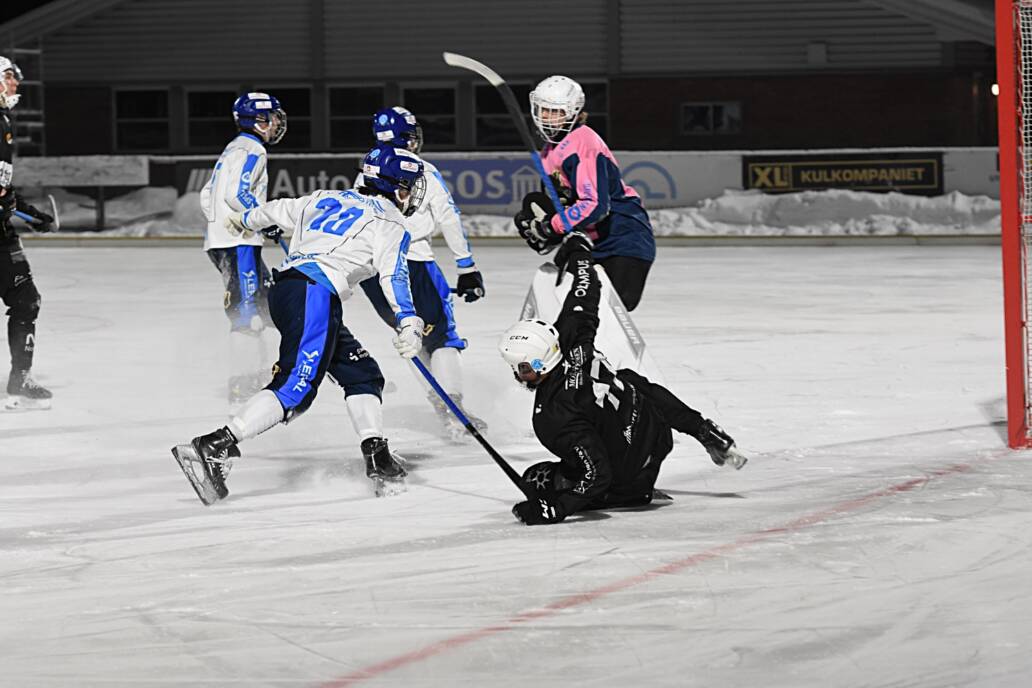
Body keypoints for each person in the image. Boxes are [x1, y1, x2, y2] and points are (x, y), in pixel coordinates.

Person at [172, 144, 427, 505]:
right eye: (408, 186)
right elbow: (394, 276)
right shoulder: (391, 222)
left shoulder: (325, 197)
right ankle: (215, 445)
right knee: (296, 388)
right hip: (314, 295)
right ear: (395, 186)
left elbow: (277, 209)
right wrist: (408, 320)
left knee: (362, 374)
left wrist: (246, 220)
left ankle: (376, 454)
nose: (411, 194)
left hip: (289, 291)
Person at [498, 232, 746, 525]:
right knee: (628, 379)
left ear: (542, 362)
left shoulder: (553, 415)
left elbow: (596, 475)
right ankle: (704, 430)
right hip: (655, 436)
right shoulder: (573, 337)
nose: (519, 375)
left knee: (535, 479)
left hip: (630, 475)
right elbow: (585, 290)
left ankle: (631, 492)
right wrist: (579, 253)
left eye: (523, 368)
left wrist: (556, 508)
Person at [357, 106, 488, 437]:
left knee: (410, 336)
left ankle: (441, 406)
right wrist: (466, 266)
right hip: (414, 264)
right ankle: (454, 410)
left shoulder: (366, 170)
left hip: (374, 271)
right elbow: (449, 217)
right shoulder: (422, 170)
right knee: (442, 337)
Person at [513, 75, 655, 312]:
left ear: (572, 112)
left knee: (611, 306)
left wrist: (552, 226)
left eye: (555, 111)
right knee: (563, 305)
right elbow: (562, 206)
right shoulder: (548, 152)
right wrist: (543, 232)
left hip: (622, 237)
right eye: (542, 110)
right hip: (587, 241)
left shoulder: (583, 141)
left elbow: (594, 204)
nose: (546, 117)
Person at [199, 92, 287, 404]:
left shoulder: (233, 148)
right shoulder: (253, 149)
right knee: (247, 313)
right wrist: (262, 219)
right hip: (239, 243)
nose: (276, 124)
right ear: (258, 121)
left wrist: (219, 226)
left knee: (266, 306)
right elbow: (236, 193)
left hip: (227, 241)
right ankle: (242, 383)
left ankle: (264, 372)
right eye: (272, 118)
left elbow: (207, 195)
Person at [0, 55, 55, 411]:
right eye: (8, 76)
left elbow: (3, 187)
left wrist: (31, 214)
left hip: (1, 233)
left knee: (26, 298)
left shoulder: (4, 119)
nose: (16, 83)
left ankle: (20, 381)